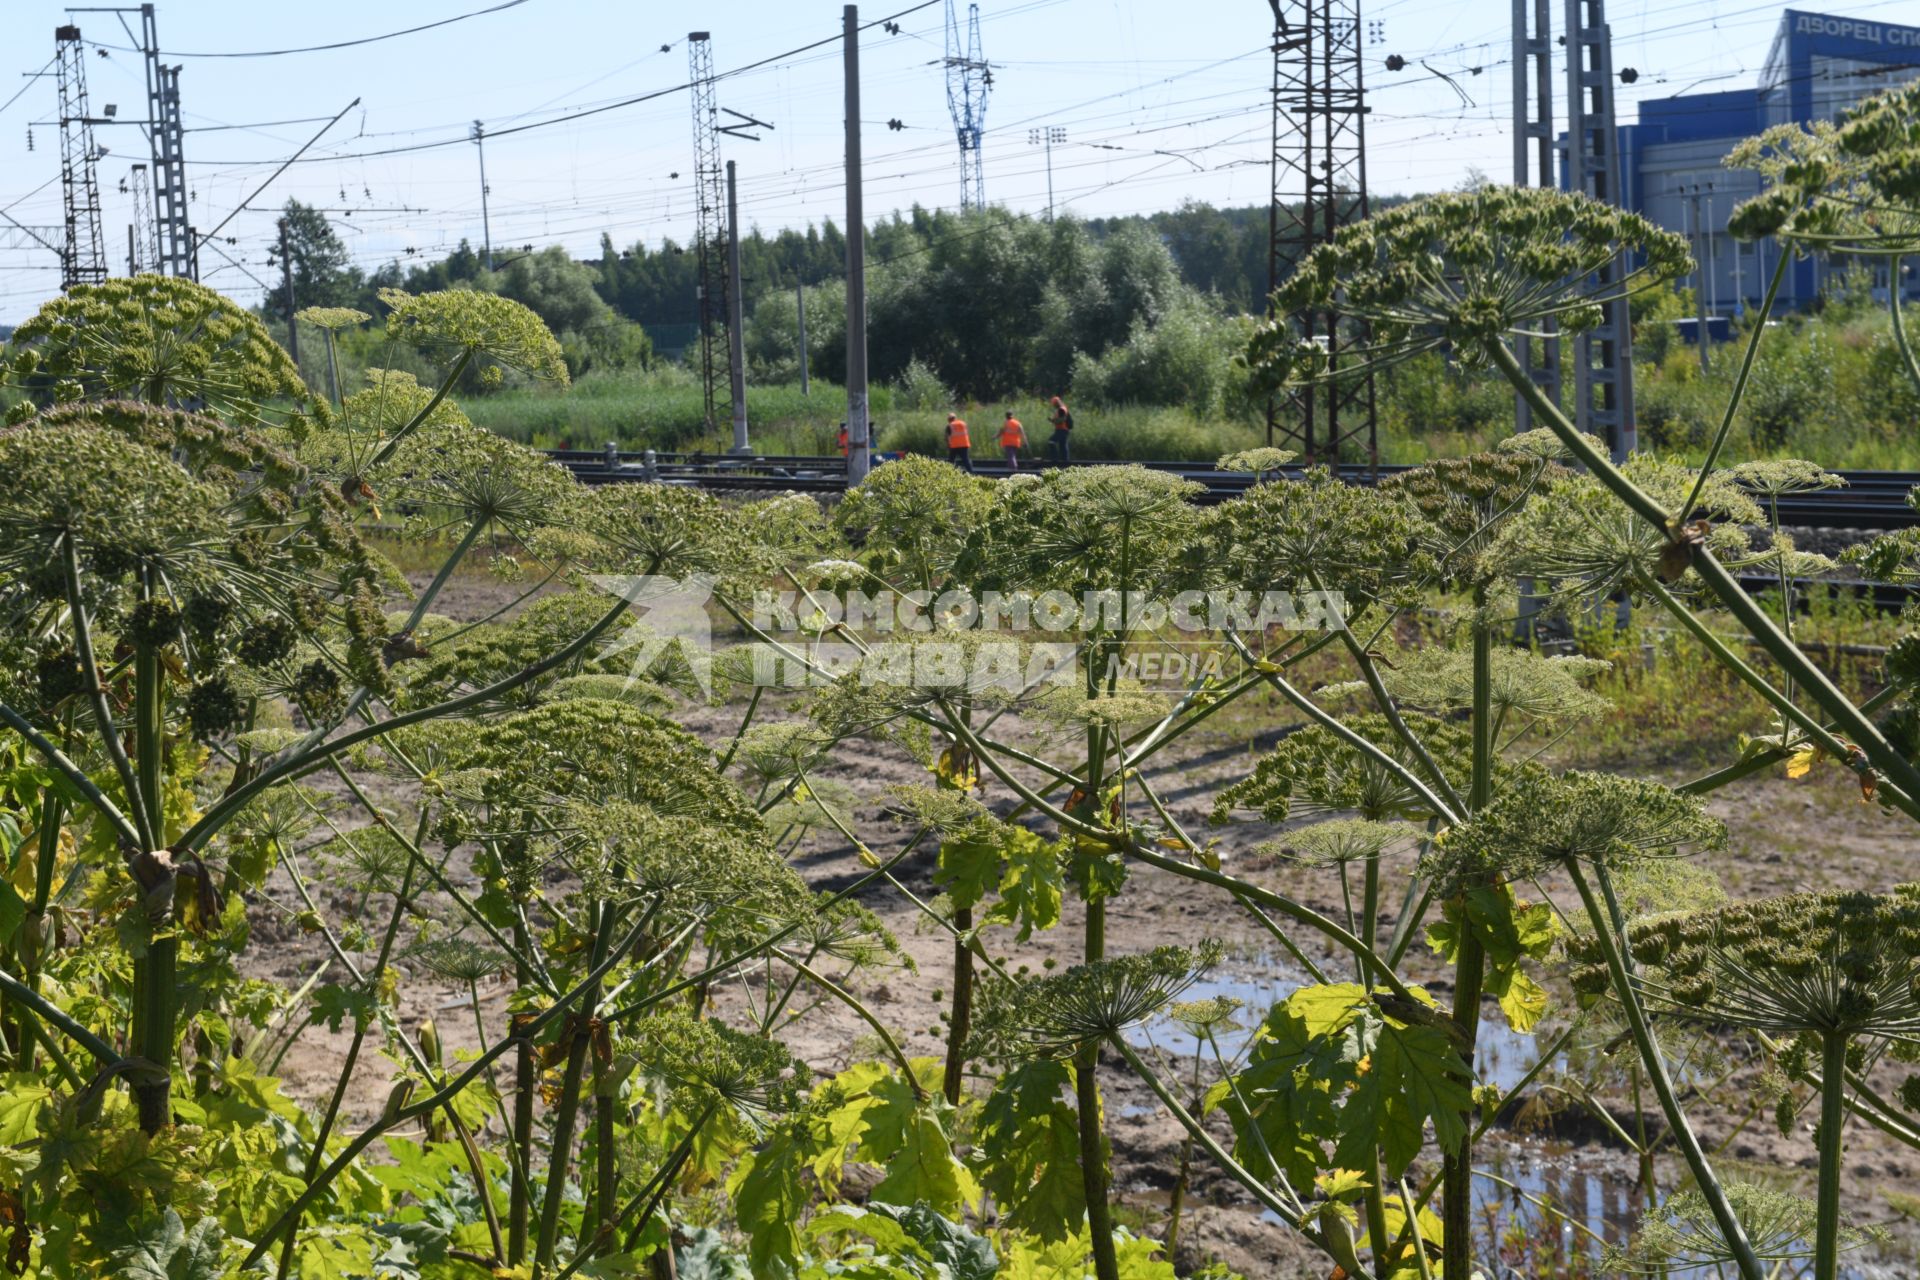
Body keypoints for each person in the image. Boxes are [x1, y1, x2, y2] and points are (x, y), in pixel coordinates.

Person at [1045, 395, 1073, 463]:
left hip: (1062, 430)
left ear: (1056, 403)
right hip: (1063, 430)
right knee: (1062, 445)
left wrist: (1054, 421)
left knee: (1051, 441)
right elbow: (1061, 418)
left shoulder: (1061, 409)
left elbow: (1063, 419)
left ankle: (1054, 459)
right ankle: (1065, 461)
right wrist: (1053, 420)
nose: (1053, 405)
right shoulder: (1061, 409)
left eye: (1054, 404)